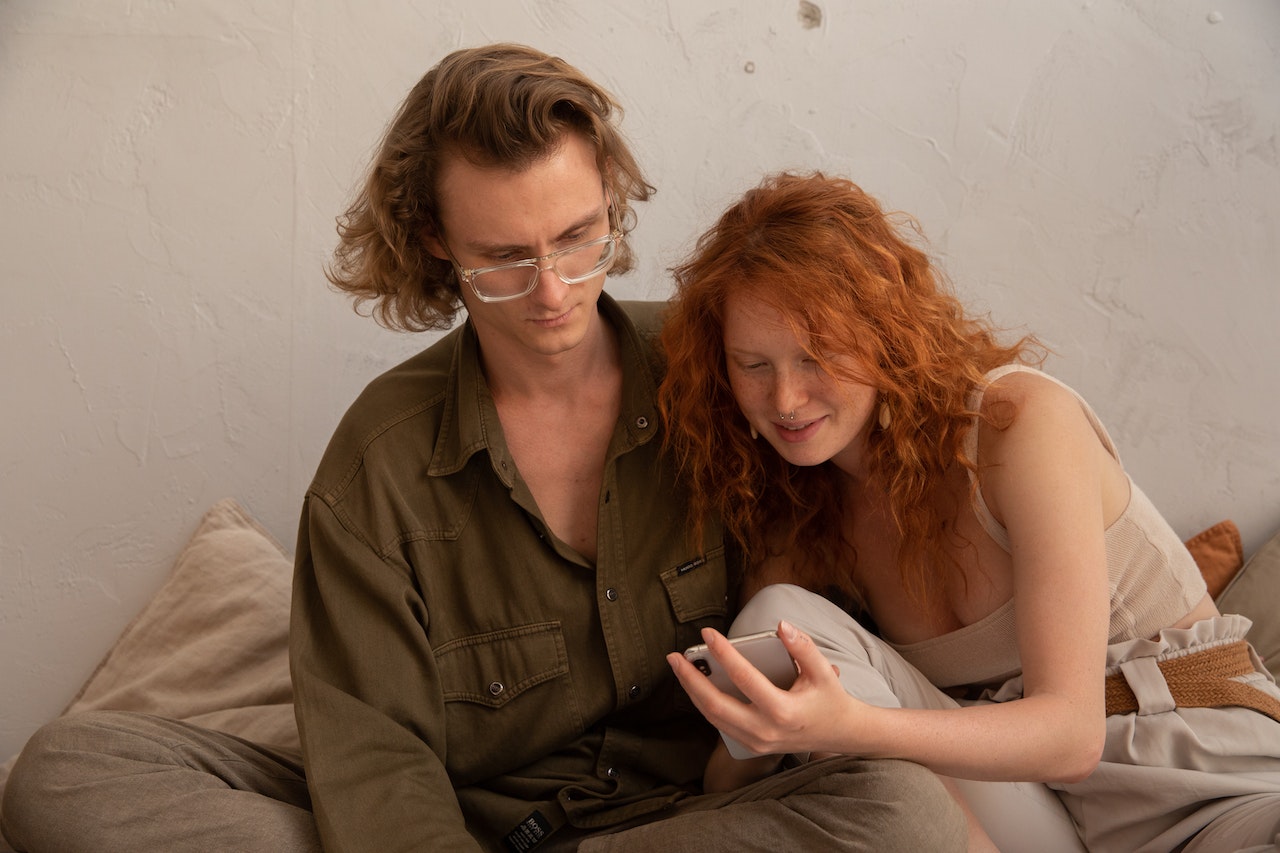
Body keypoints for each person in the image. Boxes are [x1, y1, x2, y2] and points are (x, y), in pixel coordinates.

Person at [0, 47, 967, 853]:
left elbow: (831, 554)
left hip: (693, 822)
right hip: (459, 826)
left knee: (906, 811)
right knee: (65, 772)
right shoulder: (379, 466)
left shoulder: (715, 368)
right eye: (505, 257)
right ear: (435, 241)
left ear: (611, 203)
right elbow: (377, 757)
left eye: (579, 238)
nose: (552, 291)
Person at [657, 170, 1280, 853]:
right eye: (753, 365)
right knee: (776, 618)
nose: (784, 399)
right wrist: (761, 729)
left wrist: (850, 726)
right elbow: (728, 776)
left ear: (886, 333)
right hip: (1039, 817)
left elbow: (1071, 737)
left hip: (1207, 786)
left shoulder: (1018, 424)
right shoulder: (804, 526)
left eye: (816, 356)